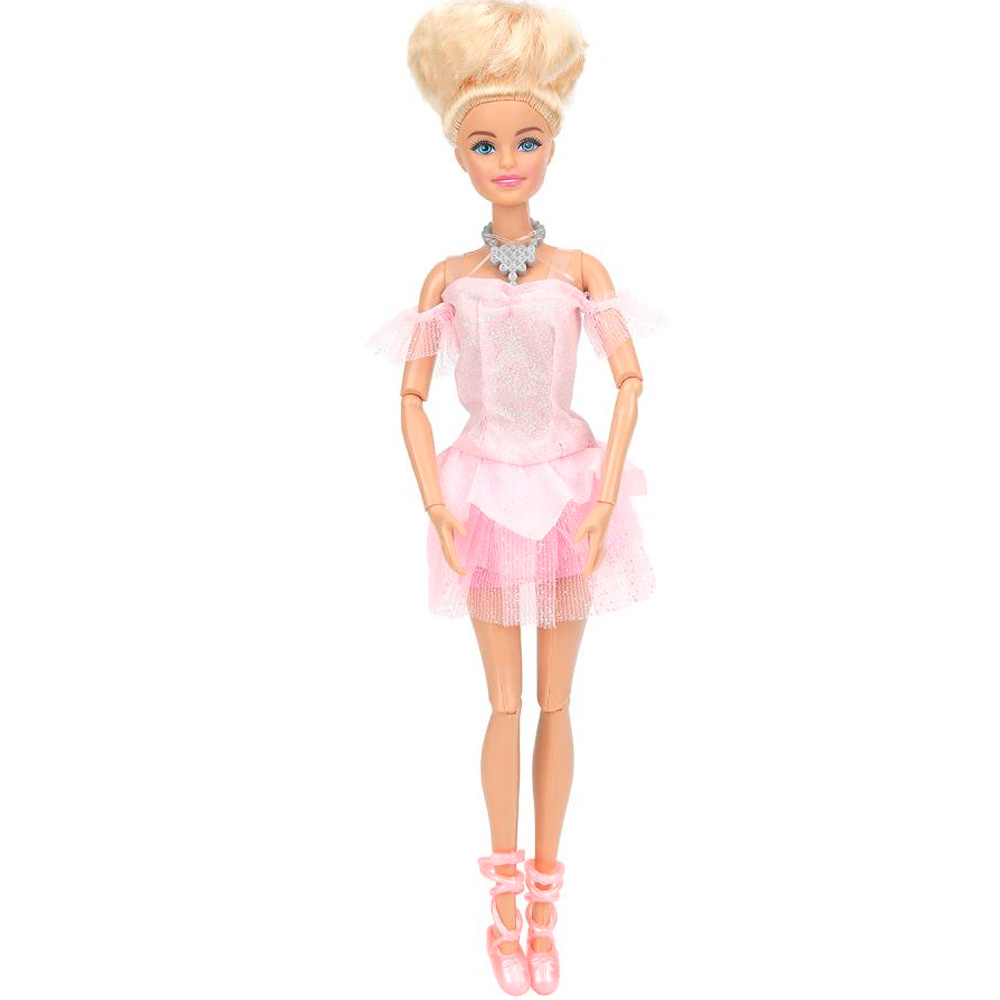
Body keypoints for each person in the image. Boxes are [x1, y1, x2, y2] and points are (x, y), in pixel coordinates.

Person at [366, 1, 666, 993]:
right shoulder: (447, 280)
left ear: (552, 147)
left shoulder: (579, 271)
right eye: (487, 143)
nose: (508, 160)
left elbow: (630, 380)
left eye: (527, 140)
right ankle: (503, 902)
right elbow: (409, 397)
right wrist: (435, 503)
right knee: (502, 703)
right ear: (458, 154)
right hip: (486, 497)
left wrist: (606, 491)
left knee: (555, 700)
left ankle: (547, 898)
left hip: (571, 489)